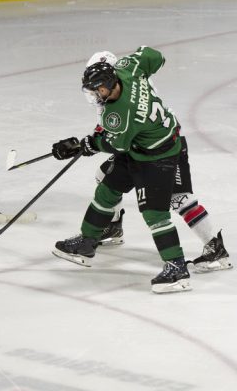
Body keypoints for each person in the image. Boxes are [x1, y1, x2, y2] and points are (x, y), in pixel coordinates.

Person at [50, 46, 199, 293]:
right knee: (107, 191)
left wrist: (86, 145)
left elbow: (115, 144)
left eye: (98, 90)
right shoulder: (127, 68)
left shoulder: (119, 114)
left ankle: (177, 269)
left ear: (109, 85)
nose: (95, 95)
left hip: (158, 156)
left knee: (154, 214)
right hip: (141, 146)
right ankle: (87, 242)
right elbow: (153, 55)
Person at [85, 51, 231, 272]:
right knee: (105, 175)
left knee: (179, 198)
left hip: (163, 148)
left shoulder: (124, 99)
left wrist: (91, 144)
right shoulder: (128, 78)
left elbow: (119, 135)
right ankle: (113, 226)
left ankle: (214, 248)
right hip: (145, 146)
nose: (96, 91)